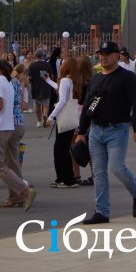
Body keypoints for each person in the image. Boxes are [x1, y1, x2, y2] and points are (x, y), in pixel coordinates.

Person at [73, 41, 136, 224]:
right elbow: (88, 106)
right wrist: (81, 131)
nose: (102, 57)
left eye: (106, 54)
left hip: (117, 129)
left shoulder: (127, 77)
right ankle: (101, 212)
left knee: (116, 167)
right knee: (98, 172)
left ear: (117, 55)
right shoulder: (96, 78)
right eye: (100, 54)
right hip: (96, 130)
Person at [0, 60, 38, 210]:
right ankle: (21, 191)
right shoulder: (9, 82)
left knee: (3, 164)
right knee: (9, 162)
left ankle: (24, 190)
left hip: (3, 125)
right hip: (10, 125)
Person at [43, 57, 84, 187]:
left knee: (61, 149)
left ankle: (67, 179)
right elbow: (62, 92)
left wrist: (51, 116)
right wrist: (48, 80)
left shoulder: (65, 80)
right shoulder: (72, 80)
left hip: (63, 117)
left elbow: (62, 101)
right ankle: (62, 178)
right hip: (70, 116)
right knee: (61, 148)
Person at [27, 48, 53, 127]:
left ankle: (39, 121)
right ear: (43, 56)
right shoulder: (47, 64)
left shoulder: (32, 65)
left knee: (37, 105)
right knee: (46, 105)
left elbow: (29, 77)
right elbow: (50, 76)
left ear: (35, 56)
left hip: (36, 88)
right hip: (46, 87)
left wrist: (30, 81)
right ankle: (45, 114)